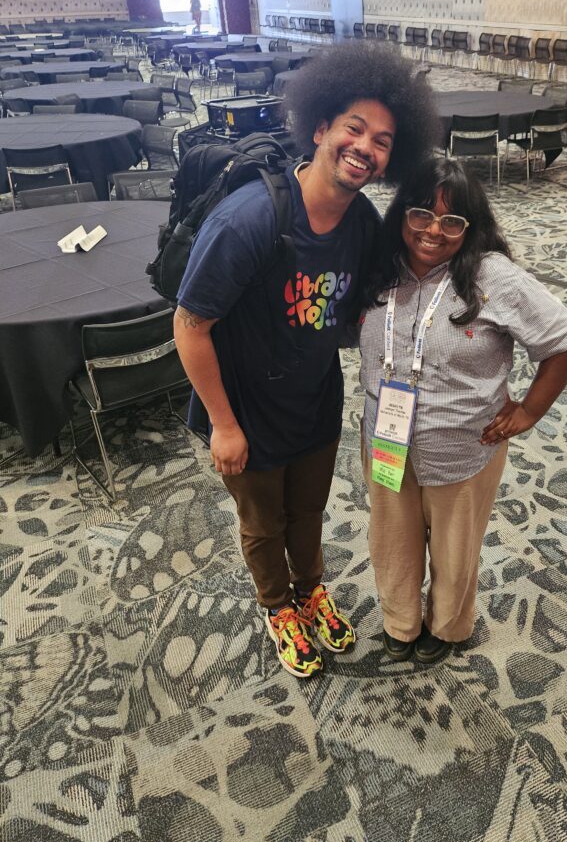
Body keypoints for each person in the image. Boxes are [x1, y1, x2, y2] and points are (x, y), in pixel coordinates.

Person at [173, 42, 439, 678]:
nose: (365, 148)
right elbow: (189, 325)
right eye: (354, 128)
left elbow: (372, 301)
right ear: (320, 128)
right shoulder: (251, 221)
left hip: (314, 397)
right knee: (264, 522)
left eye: (382, 140)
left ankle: (311, 588)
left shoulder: (362, 224)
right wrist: (224, 426)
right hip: (245, 409)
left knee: (309, 509)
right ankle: (277, 606)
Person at [359, 158, 567, 663]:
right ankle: (400, 623)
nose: (433, 231)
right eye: (421, 214)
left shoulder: (492, 277)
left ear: (470, 227)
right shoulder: (378, 264)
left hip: (462, 444)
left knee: (454, 551)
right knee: (391, 541)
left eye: (452, 221)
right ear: (402, 214)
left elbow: (564, 339)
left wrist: (528, 411)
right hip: (387, 437)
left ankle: (447, 627)